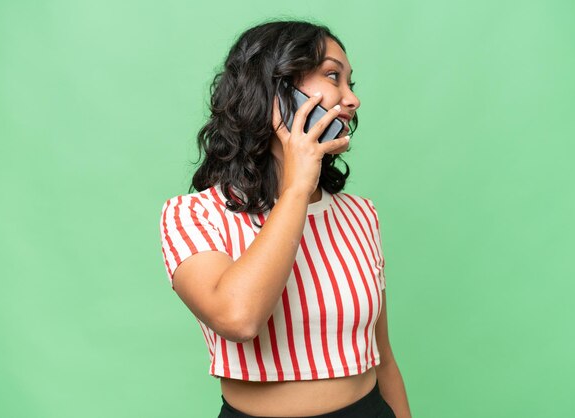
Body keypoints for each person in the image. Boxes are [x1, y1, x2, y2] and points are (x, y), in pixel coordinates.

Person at [159, 19, 412, 418]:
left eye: (351, 84)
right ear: (276, 89)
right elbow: (239, 318)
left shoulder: (360, 215)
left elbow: (383, 359)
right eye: (333, 76)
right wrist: (296, 189)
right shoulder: (193, 215)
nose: (352, 99)